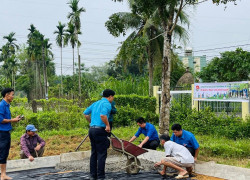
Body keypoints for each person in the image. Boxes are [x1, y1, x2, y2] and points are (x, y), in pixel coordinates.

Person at [83, 89, 115, 180]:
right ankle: (101, 176)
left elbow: (85, 114)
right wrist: (108, 126)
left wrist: (91, 122)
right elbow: (103, 115)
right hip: (100, 131)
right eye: (113, 97)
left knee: (94, 153)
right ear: (110, 96)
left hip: (92, 130)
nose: (112, 99)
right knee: (102, 153)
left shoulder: (96, 103)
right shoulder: (107, 104)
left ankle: (93, 175)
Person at [0, 88, 22, 180]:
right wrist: (13, 120)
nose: (13, 96)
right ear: (7, 95)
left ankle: (3, 174)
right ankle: (3, 175)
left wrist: (14, 119)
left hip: (6, 132)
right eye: (12, 94)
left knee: (5, 153)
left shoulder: (7, 105)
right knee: (3, 153)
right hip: (2, 133)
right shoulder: (1, 105)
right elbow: (1, 120)